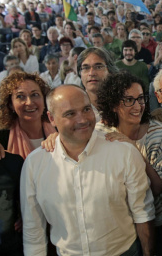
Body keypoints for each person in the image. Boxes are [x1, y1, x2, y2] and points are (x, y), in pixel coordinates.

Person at [21, 84, 155, 255]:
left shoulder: (124, 153)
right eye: (70, 114)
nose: (82, 119)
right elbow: (34, 231)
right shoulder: (35, 164)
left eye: (86, 109)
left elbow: (143, 214)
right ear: (51, 118)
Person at [95, 72, 162, 256]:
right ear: (113, 104)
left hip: (155, 223)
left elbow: (158, 188)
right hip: (116, 226)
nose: (138, 106)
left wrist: (132, 149)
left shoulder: (157, 132)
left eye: (141, 98)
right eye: (129, 100)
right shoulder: (101, 133)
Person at [0, 72, 57, 160]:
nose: (29, 102)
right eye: (20, 96)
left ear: (44, 99)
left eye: (35, 95)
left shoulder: (61, 131)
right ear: (11, 104)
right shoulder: (0, 142)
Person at [77, 47, 119, 119]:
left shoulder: (121, 104)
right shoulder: (74, 107)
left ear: (110, 71)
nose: (91, 73)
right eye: (86, 68)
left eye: (98, 67)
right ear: (80, 73)